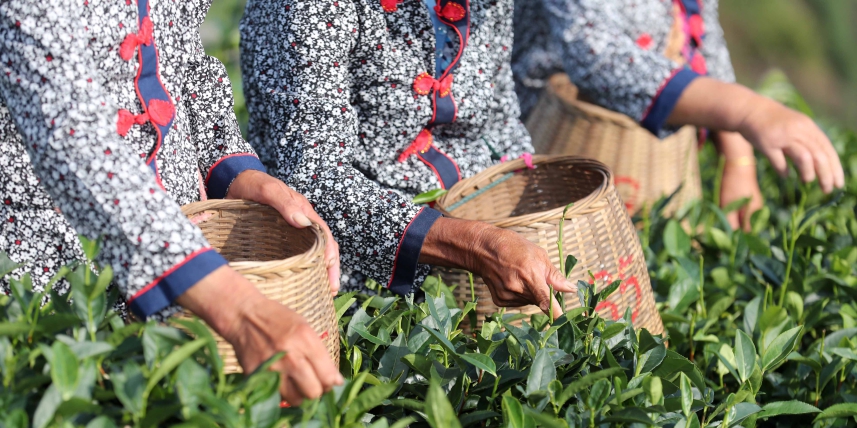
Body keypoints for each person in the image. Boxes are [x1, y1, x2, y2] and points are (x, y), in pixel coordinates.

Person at [0, 0, 342, 404]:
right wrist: (241, 311)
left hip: (185, 255)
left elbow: (180, 51)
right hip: (53, 278)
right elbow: (69, 133)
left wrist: (236, 170)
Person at [240, 0, 576, 315]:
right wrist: (476, 245)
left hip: (473, 254)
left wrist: (527, 212)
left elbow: (500, 118)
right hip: (356, 280)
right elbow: (314, 176)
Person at [513, 0, 845, 230]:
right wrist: (748, 110)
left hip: (659, 160)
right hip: (548, 135)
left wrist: (738, 159)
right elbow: (594, 56)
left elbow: (704, 40)